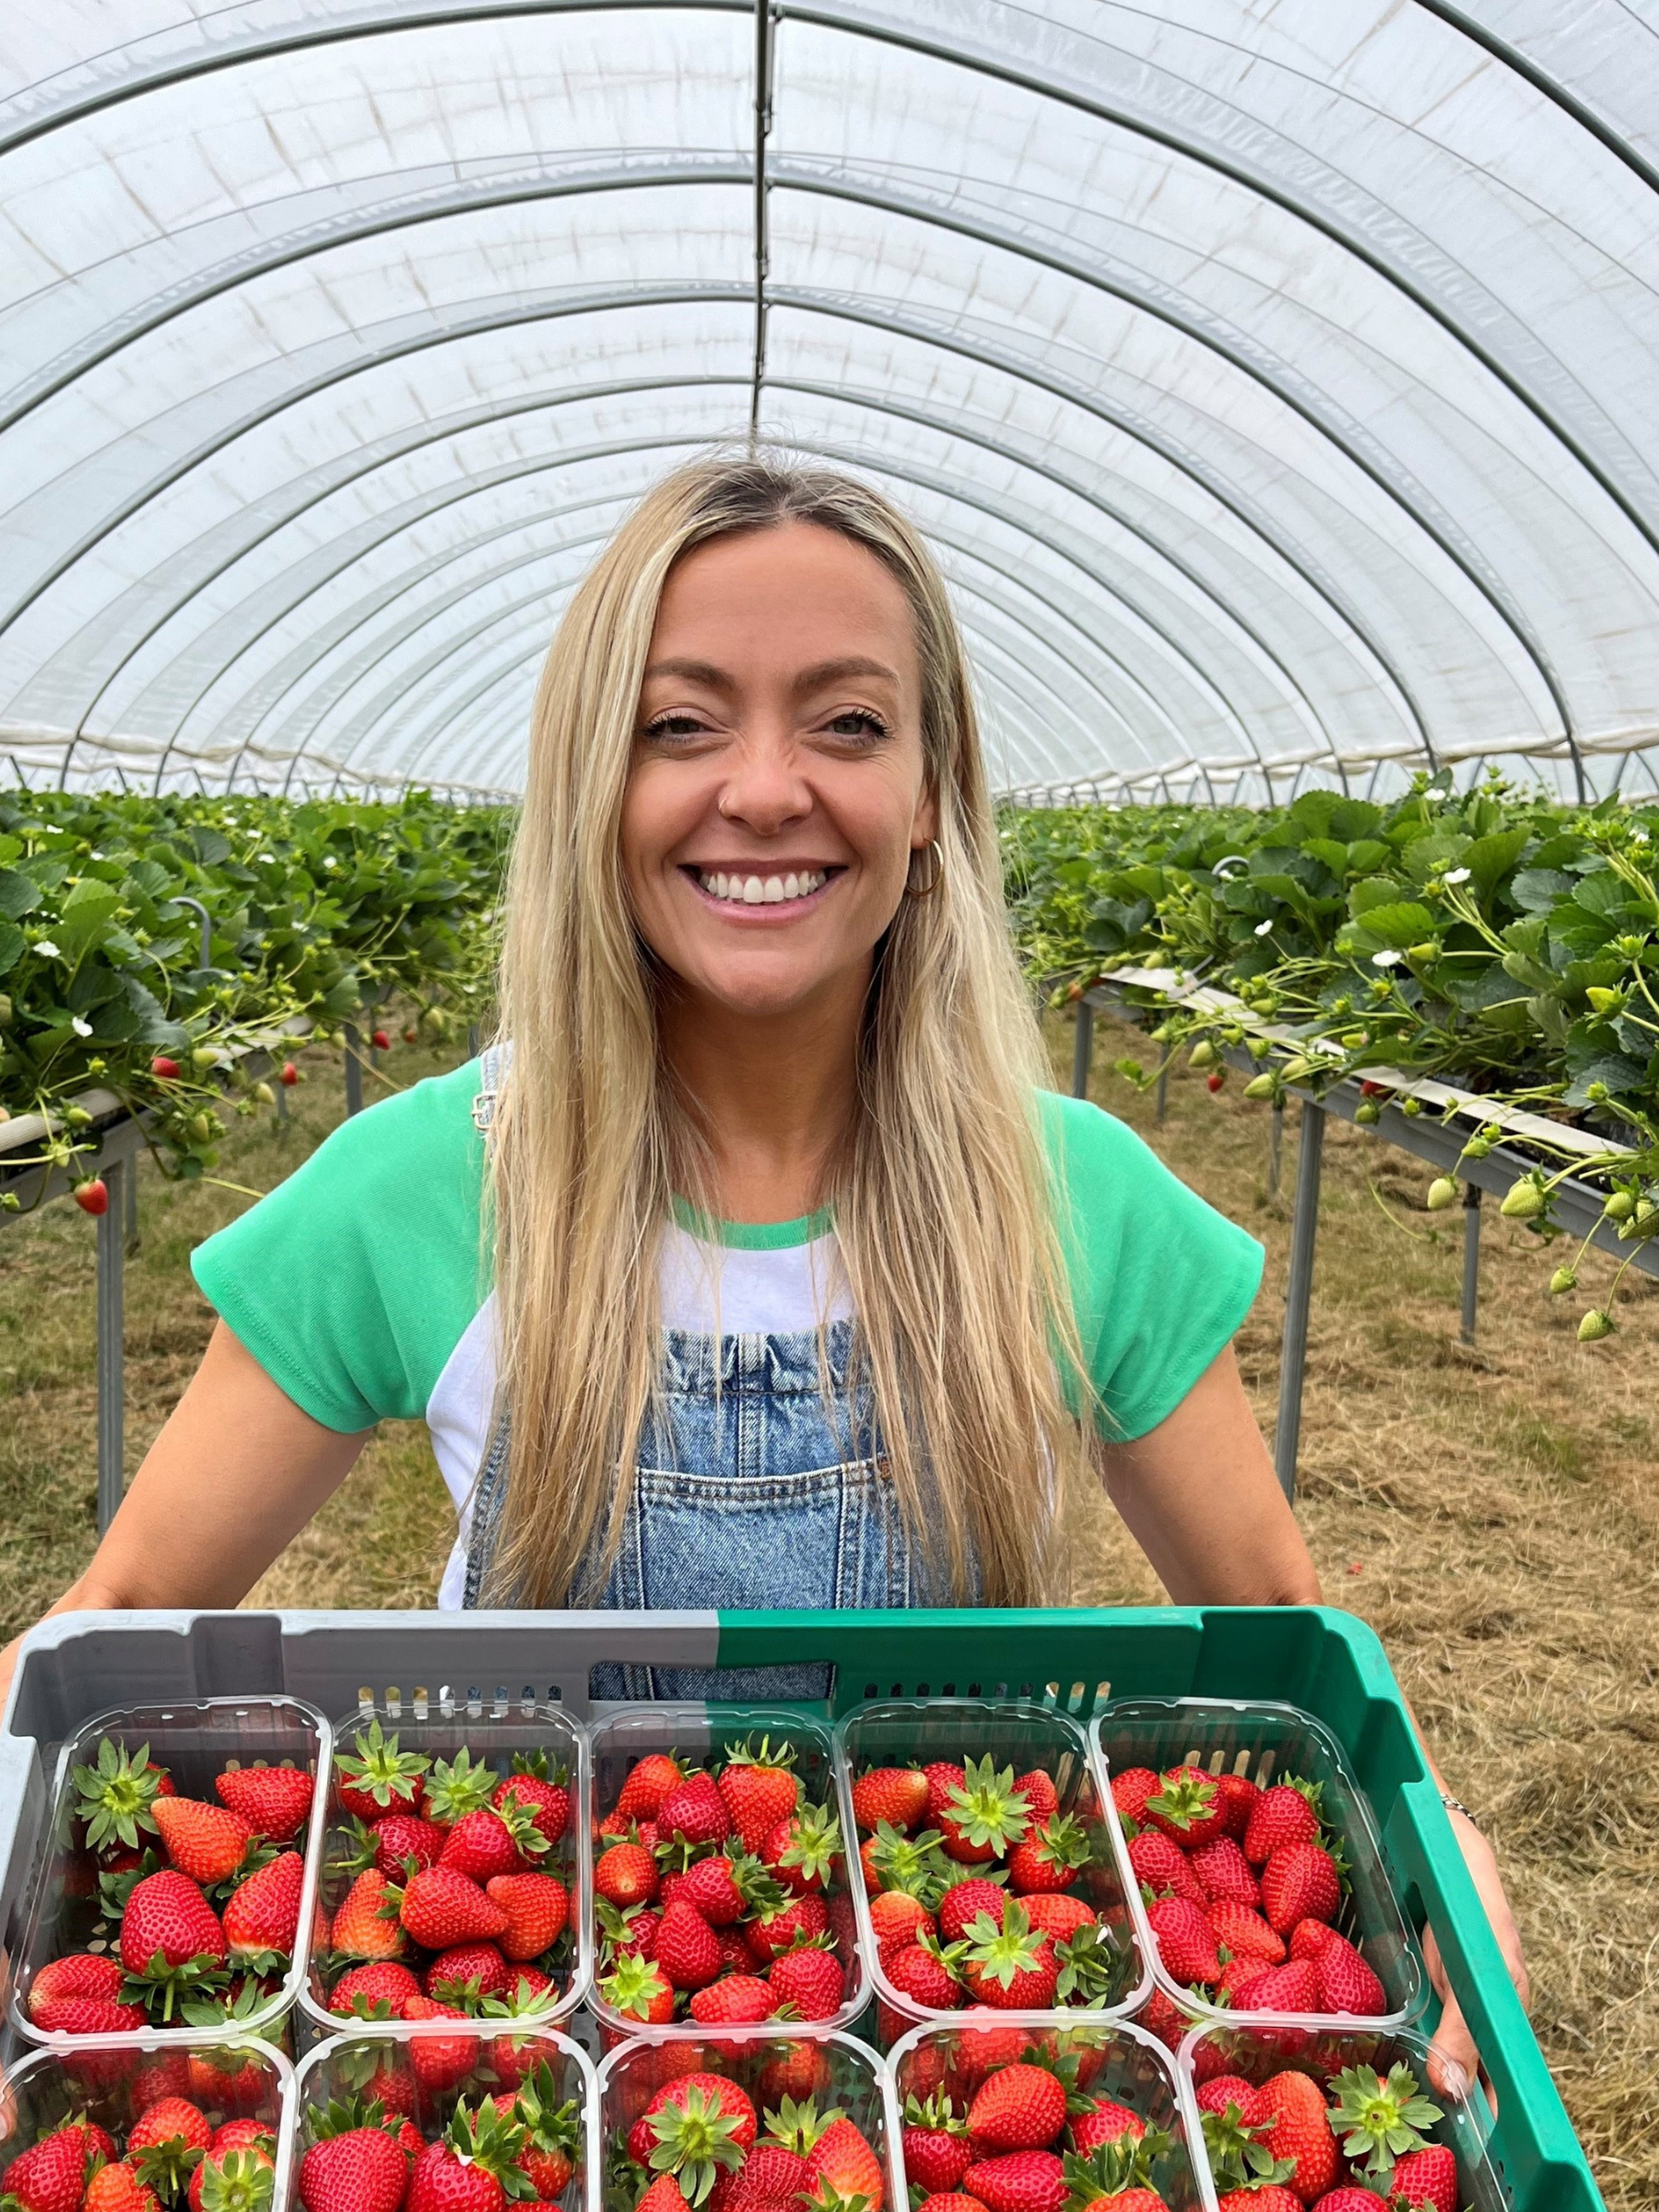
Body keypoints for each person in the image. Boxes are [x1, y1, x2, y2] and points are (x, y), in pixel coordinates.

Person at [0, 455, 1524, 2076]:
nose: (768, 789)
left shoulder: (1073, 1197)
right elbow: (126, 1614)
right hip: (525, 2019)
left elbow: (1284, 1645)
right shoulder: (428, 1189)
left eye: (850, 724)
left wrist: (1430, 1841)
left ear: (935, 793)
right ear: (593, 778)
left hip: (957, 1993)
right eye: (682, 723)